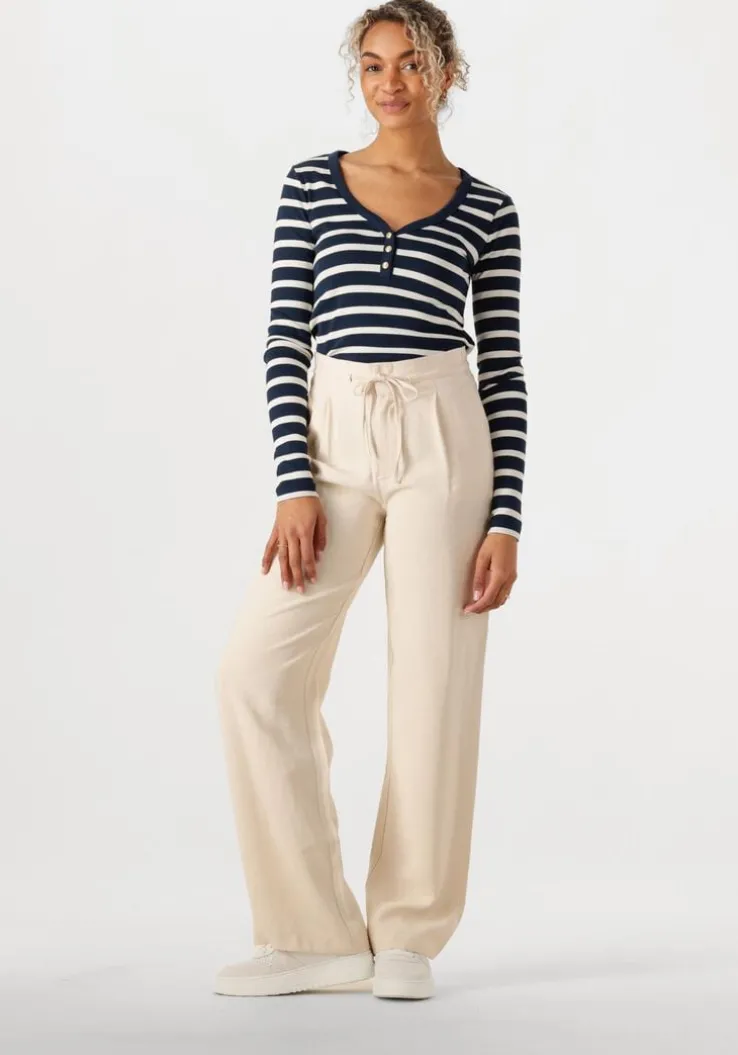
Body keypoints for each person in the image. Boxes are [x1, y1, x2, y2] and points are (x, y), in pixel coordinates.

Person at [214, 0, 527, 1000]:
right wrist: (294, 481)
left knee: (434, 686)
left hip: (447, 436)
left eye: (412, 63)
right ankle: (313, 934)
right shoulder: (312, 184)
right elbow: (284, 338)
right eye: (374, 64)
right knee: (255, 675)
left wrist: (507, 516)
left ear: (447, 74)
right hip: (335, 434)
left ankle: (407, 932)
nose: (391, 82)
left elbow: (504, 369)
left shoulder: (487, 209)